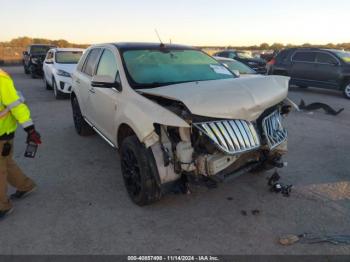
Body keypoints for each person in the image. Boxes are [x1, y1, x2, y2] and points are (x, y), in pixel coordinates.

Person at [0, 68, 42, 219]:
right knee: (6, 163)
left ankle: (2, 206)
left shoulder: (1, 80)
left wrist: (30, 130)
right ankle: (26, 186)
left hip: (2, 134)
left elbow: (17, 106)